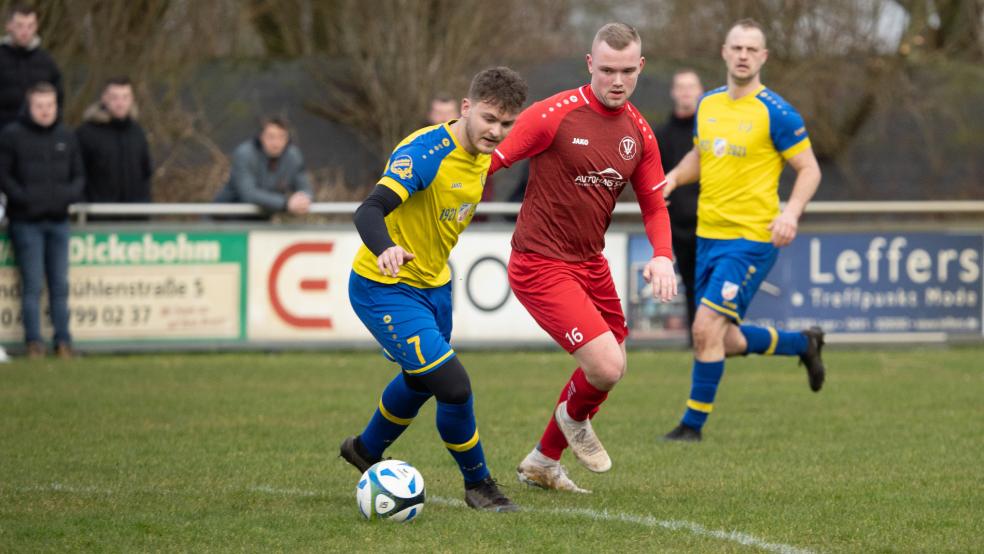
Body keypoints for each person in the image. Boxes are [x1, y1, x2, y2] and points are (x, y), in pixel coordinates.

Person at [489, 23, 677, 493]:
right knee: (606, 367)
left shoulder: (640, 133)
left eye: (627, 71)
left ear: (641, 68)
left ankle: (542, 461)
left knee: (613, 366)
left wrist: (662, 256)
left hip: (589, 263)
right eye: (608, 69)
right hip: (539, 262)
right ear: (590, 64)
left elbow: (654, 204)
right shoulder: (553, 115)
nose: (617, 80)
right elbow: (488, 161)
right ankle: (572, 420)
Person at [339, 67, 528, 512]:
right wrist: (385, 248)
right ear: (466, 108)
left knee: (421, 381)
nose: (496, 131)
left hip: (436, 286)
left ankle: (364, 450)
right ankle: (479, 486)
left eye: (506, 124)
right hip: (384, 285)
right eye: (488, 119)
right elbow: (369, 210)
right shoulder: (427, 152)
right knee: (454, 385)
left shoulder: (484, 153)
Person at [660, 19, 826, 442]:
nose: (743, 55)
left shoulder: (778, 112)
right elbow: (702, 155)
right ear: (724, 51)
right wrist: (675, 178)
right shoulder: (708, 104)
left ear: (763, 57)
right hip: (707, 236)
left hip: (751, 238)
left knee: (703, 330)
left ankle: (690, 427)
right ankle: (801, 344)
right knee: (725, 337)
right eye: (737, 47)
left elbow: (809, 169)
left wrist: (790, 213)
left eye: (752, 49)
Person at [0, 82, 84, 359]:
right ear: (29, 105)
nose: (45, 111)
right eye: (39, 105)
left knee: (60, 285)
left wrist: (65, 198)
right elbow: (4, 176)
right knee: (33, 285)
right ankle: (34, 343)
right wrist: (24, 199)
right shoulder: (12, 136)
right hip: (26, 222)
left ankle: (63, 342)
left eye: (50, 105)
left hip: (58, 220)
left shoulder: (66, 136)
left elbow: (79, 176)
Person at [654, 69, 704, 343]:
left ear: (700, 91)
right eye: (681, 87)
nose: (686, 93)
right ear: (674, 92)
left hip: (712, 220)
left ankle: (720, 336)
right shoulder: (662, 134)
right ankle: (695, 338)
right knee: (689, 282)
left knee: (714, 283)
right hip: (678, 224)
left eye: (691, 87)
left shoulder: (709, 130)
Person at [212, 116, 312, 218]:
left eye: (281, 137)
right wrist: (286, 203)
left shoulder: (293, 156)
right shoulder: (244, 154)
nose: (276, 143)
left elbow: (305, 189)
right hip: (224, 221)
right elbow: (249, 194)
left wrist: (302, 200)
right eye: (271, 136)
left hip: (262, 222)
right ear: (261, 136)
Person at [76, 77, 153, 208]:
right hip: (98, 217)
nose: (120, 103)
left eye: (125, 97)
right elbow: (77, 174)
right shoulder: (86, 133)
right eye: (114, 97)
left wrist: (144, 203)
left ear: (132, 99)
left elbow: (146, 172)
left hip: (135, 216)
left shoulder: (137, 132)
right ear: (104, 98)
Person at [0, 3, 62, 130]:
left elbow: (59, 97)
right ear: (8, 26)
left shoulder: (46, 60)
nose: (25, 31)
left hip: (40, 132)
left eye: (30, 26)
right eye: (20, 25)